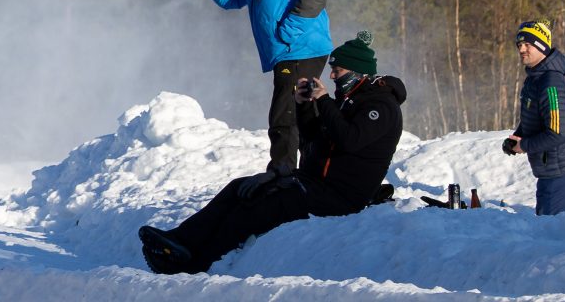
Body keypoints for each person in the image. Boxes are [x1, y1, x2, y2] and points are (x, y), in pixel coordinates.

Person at [140, 32, 403, 274]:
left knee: (262, 206)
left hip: (342, 196)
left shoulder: (381, 106)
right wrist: (304, 106)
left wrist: (323, 101)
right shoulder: (347, 102)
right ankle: (180, 241)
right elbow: (314, 139)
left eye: (338, 70)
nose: (332, 76)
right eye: (332, 69)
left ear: (358, 71)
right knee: (240, 188)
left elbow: (349, 140)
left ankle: (198, 263)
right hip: (316, 183)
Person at [204, 0, 333, 189]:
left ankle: (282, 172)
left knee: (284, 109)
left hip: (301, 47)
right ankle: (314, 171)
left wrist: (286, 32)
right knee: (304, 110)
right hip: (287, 50)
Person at [504, 21, 565, 215]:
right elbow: (536, 118)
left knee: (553, 222)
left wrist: (525, 145)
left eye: (527, 44)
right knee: (552, 218)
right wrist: (517, 137)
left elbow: (559, 132)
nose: (522, 49)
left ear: (542, 46)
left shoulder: (551, 83)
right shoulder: (535, 80)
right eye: (519, 45)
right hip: (550, 166)